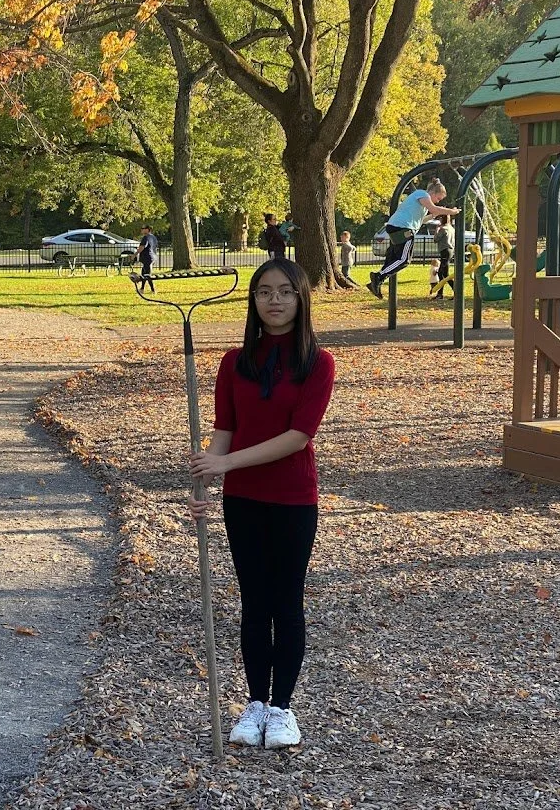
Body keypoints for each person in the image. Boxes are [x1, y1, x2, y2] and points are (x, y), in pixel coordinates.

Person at [188, 258, 335, 751]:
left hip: (293, 497)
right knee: (254, 602)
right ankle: (254, 704)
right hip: (242, 500)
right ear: (253, 301)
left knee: (286, 602)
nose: (274, 300)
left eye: (285, 292)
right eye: (264, 292)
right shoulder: (234, 362)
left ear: (301, 298)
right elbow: (224, 432)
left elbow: (298, 437)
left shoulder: (318, 362)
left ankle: (283, 709)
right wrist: (205, 479)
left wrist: (225, 465)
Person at [367, 177, 459, 299]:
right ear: (433, 192)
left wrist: (432, 215)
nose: (437, 201)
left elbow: (421, 221)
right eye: (438, 198)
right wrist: (451, 212)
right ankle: (378, 277)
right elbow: (434, 208)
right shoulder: (422, 194)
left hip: (396, 227)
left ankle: (376, 282)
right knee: (404, 259)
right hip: (403, 228)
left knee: (394, 258)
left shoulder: (422, 204)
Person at [433, 219, 454, 300]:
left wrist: (436, 230)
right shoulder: (451, 228)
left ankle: (441, 294)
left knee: (441, 273)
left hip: (445, 251)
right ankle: (440, 293)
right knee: (445, 273)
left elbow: (435, 239)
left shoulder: (443, 229)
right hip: (450, 251)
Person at [136, 225, 160, 292]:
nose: (141, 230)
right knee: (143, 273)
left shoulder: (145, 237)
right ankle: (142, 288)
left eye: (143, 228)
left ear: (148, 229)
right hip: (152, 257)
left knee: (147, 275)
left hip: (148, 258)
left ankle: (153, 290)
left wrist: (134, 255)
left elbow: (142, 247)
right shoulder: (153, 237)